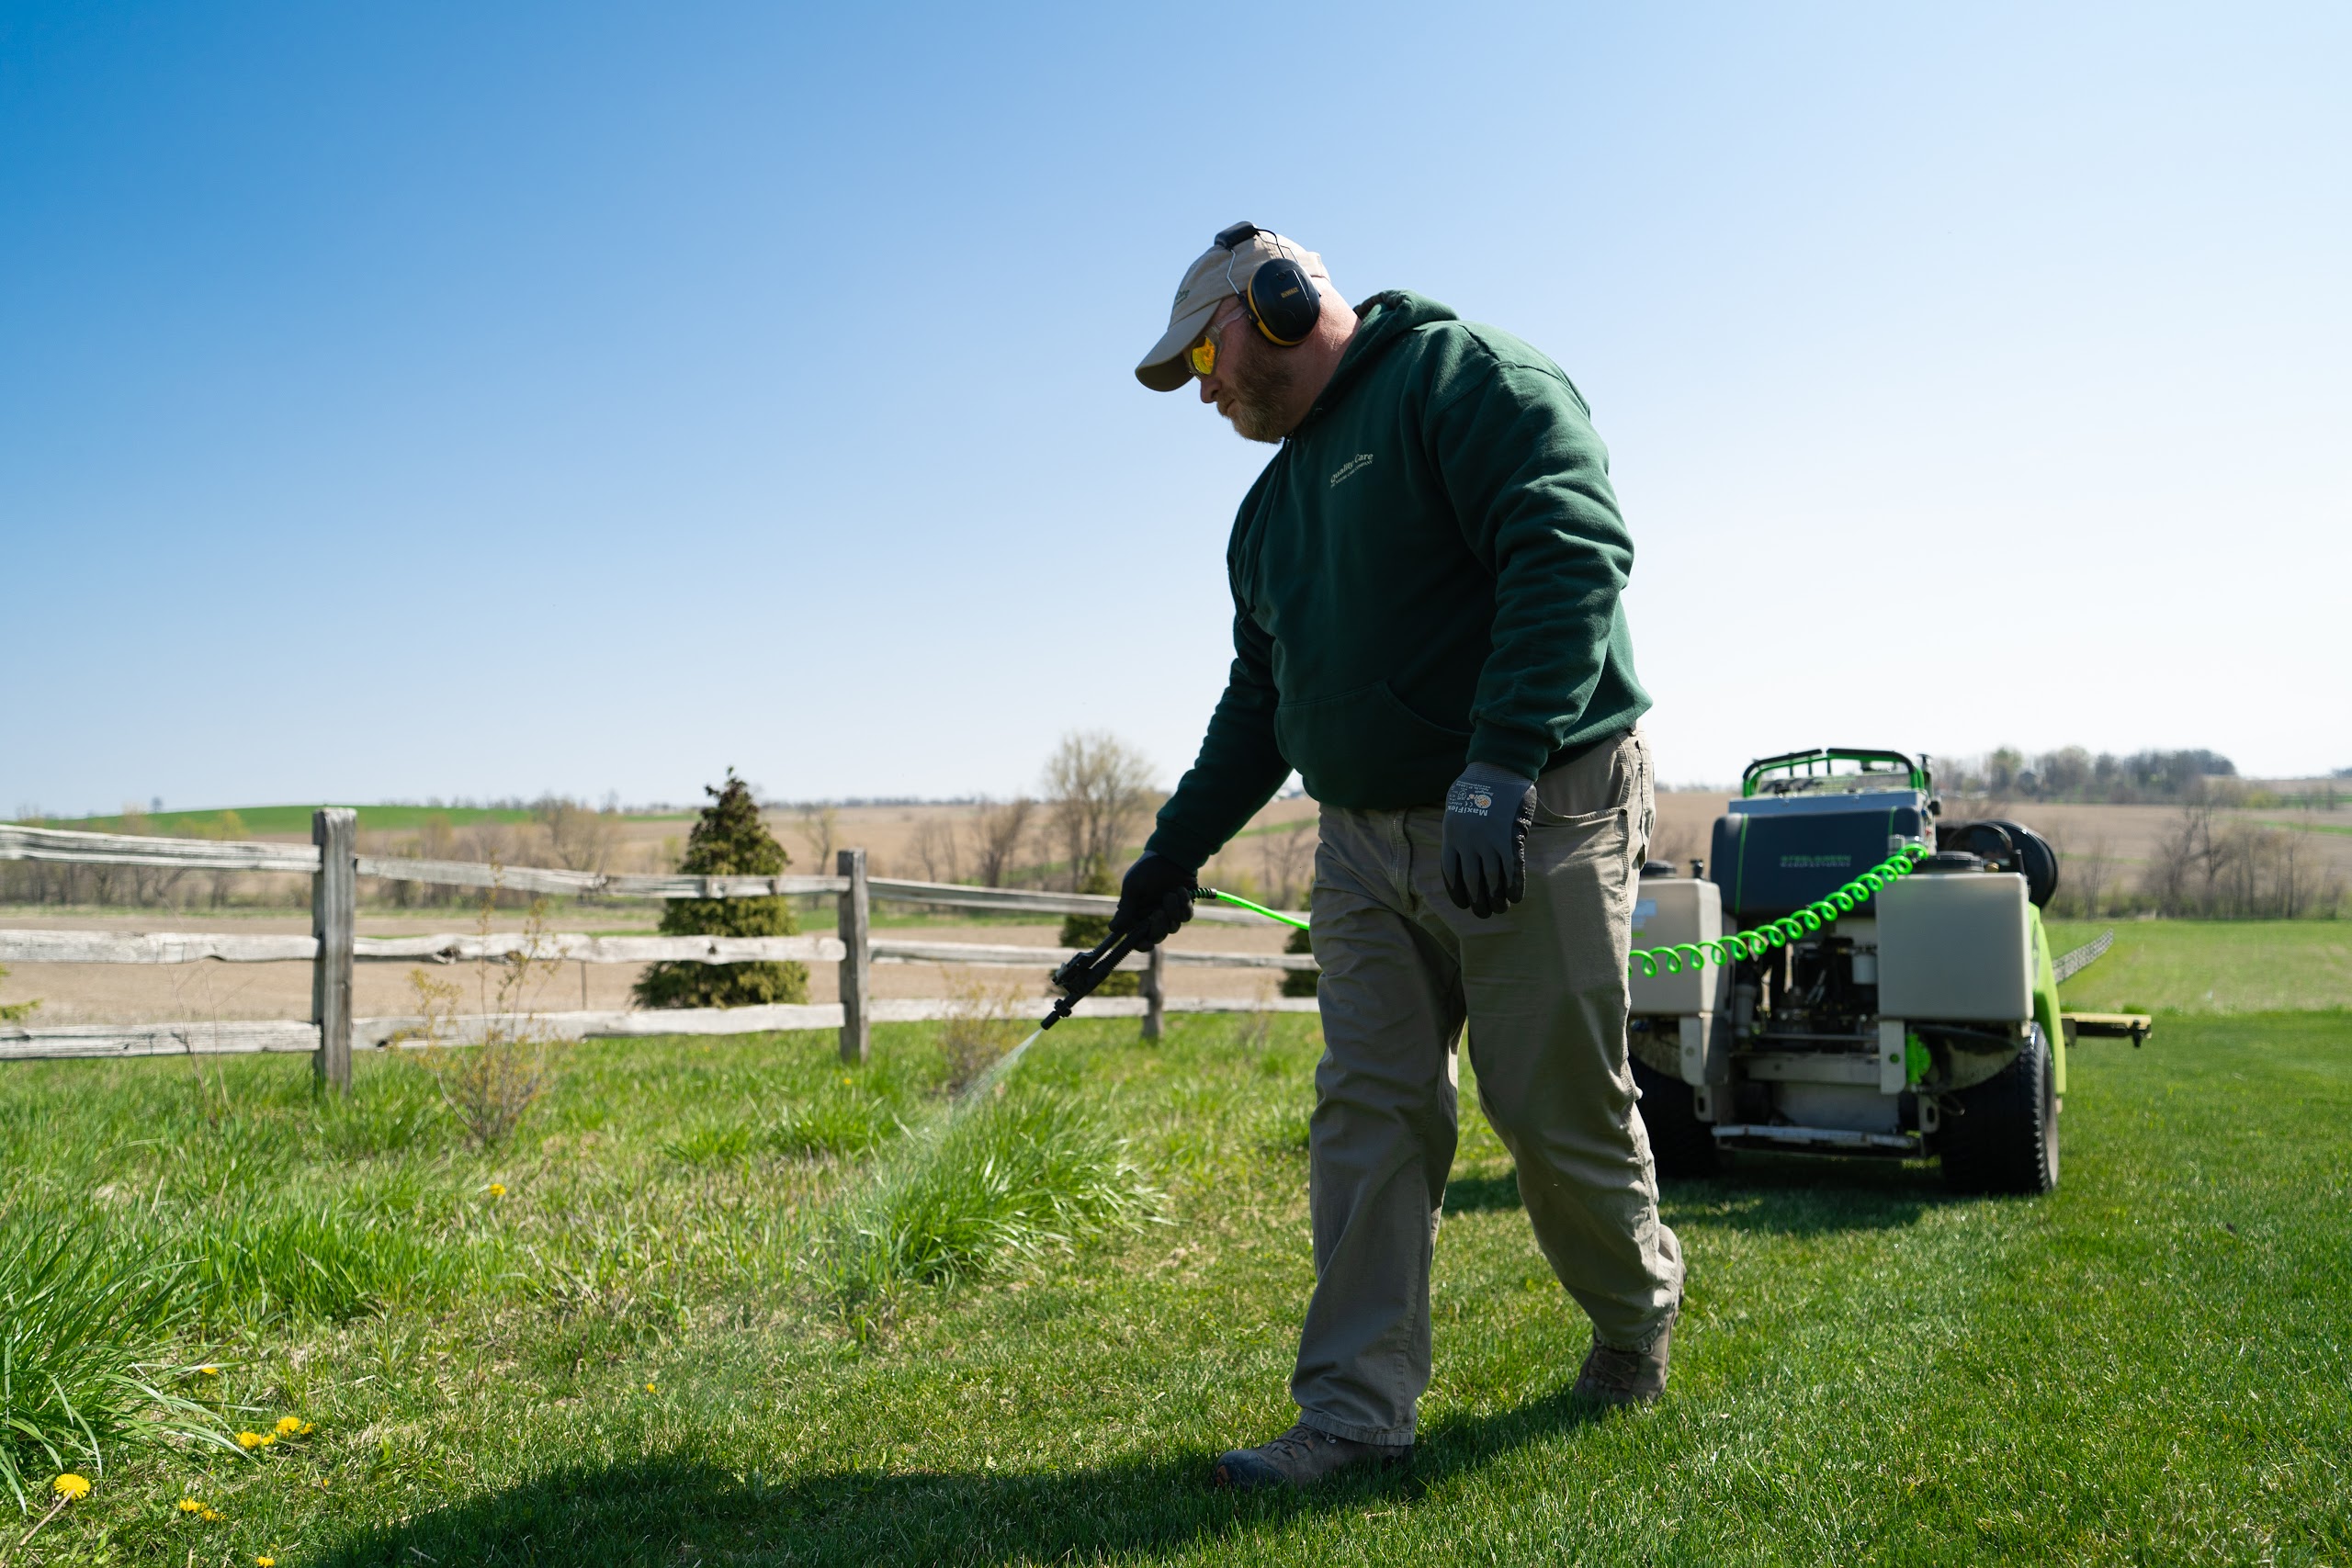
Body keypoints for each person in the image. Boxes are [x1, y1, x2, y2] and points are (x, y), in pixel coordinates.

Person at [1110, 223, 1684, 1491]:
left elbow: (1571, 554)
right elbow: (1259, 704)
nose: (1203, 390)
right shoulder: (1268, 517)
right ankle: (1355, 1415)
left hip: (1535, 809)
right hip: (1362, 846)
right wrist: (1172, 855)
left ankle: (1634, 1315)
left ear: (1276, 303)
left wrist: (1501, 762)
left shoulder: (1465, 382)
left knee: (1551, 1108)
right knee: (1368, 1115)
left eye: (1203, 356)